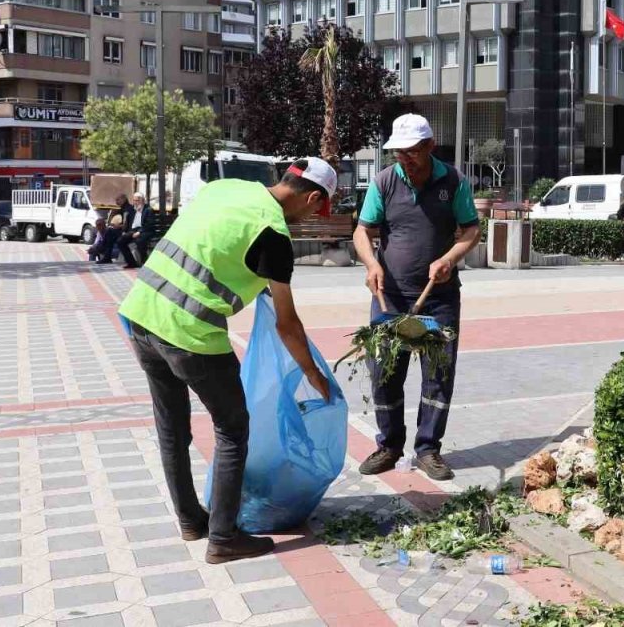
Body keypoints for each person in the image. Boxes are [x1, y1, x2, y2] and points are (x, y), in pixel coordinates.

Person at [118, 158, 337, 564]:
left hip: (141, 314)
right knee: (233, 429)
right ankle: (223, 537)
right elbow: (287, 324)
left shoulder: (226, 187)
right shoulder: (274, 234)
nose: (308, 219)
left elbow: (212, 242)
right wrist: (313, 374)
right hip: (191, 333)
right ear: (312, 198)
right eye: (314, 211)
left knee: (171, 428)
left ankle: (190, 520)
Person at [353, 114, 481, 481]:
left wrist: (449, 259)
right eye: (399, 153)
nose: (404, 159)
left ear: (429, 146)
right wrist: (370, 264)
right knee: (384, 373)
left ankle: (428, 449)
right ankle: (389, 446)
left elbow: (471, 230)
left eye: (411, 152)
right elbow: (362, 231)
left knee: (438, 375)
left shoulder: (454, 182)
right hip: (390, 298)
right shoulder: (384, 181)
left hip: (438, 300)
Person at [118, 193, 156, 269]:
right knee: (120, 241)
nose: (135, 202)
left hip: (145, 230)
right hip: (134, 230)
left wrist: (139, 232)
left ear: (143, 200)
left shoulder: (148, 210)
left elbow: (149, 224)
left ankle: (144, 262)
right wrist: (125, 232)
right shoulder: (133, 209)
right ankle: (131, 263)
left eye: (137, 200)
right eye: (134, 200)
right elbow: (129, 223)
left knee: (140, 240)